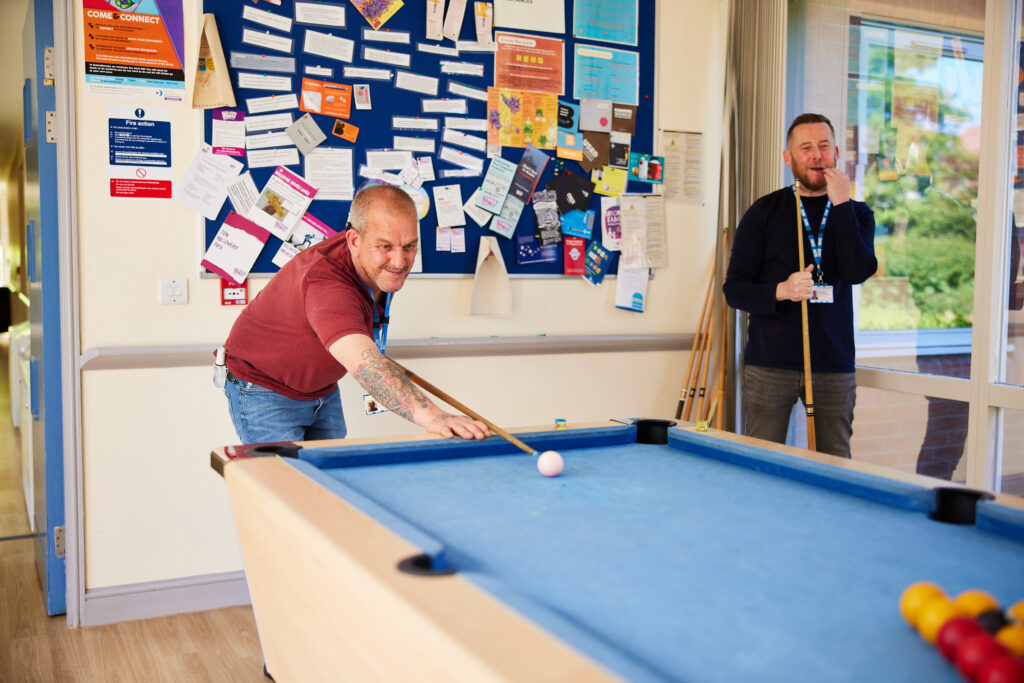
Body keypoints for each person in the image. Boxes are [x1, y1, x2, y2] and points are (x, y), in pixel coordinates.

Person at [221, 184, 490, 444]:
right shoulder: (326, 284)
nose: (399, 261)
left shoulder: (371, 254)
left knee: (331, 481)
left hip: (320, 389)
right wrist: (435, 418)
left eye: (409, 246)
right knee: (284, 486)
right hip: (262, 388)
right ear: (354, 240)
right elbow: (366, 366)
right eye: (385, 247)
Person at [723, 113, 878, 457]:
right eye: (805, 147)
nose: (816, 155)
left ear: (836, 152)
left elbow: (857, 271)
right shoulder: (763, 212)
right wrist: (782, 290)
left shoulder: (857, 213)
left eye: (823, 146)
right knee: (763, 464)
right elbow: (734, 290)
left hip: (832, 364)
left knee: (834, 465)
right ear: (787, 158)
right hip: (768, 364)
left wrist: (840, 204)